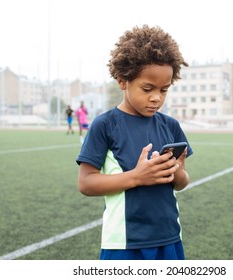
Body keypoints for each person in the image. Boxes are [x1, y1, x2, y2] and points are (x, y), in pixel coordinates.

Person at [76, 25, 193, 260]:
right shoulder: (105, 125)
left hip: (169, 237)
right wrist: (137, 177)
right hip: (124, 243)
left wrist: (177, 173)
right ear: (122, 81)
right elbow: (86, 183)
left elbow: (182, 182)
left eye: (164, 90)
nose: (156, 97)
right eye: (147, 88)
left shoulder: (171, 126)